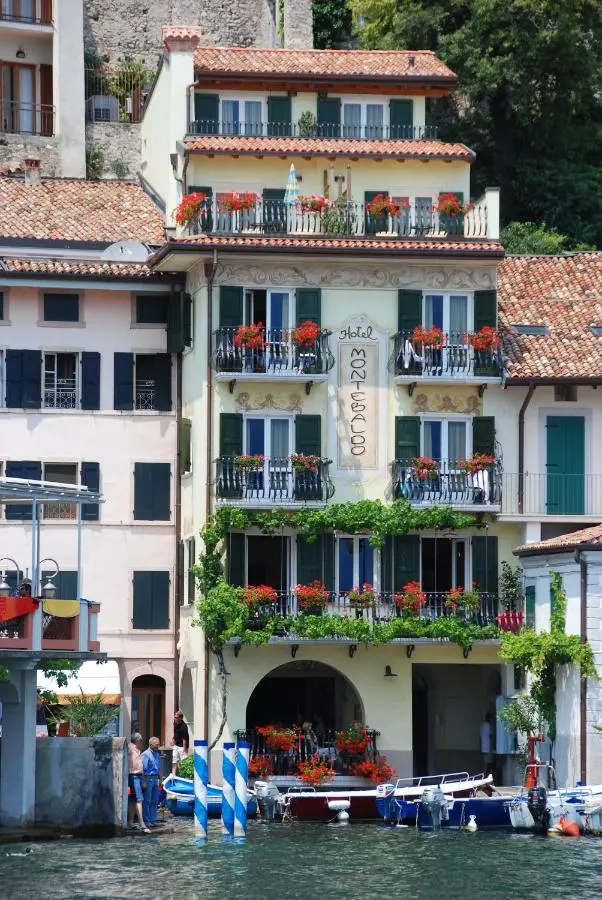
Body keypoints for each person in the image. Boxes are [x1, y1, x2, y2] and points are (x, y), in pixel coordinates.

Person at [128, 733, 150, 833]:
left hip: (139, 776)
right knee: (139, 799)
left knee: (133, 800)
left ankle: (131, 822)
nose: (142, 743)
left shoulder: (138, 750)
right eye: (141, 741)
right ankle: (142, 823)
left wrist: (144, 778)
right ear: (137, 741)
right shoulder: (130, 749)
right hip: (133, 776)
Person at [141, 736, 161, 827]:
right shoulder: (145, 754)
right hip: (148, 778)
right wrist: (144, 781)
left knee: (154, 800)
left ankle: (153, 819)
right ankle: (146, 820)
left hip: (155, 778)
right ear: (150, 745)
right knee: (147, 800)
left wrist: (160, 779)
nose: (158, 746)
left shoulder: (157, 754)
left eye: (158, 744)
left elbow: (158, 768)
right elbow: (143, 769)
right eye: (156, 745)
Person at [171, 710, 189, 774]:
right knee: (174, 761)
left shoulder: (184, 727)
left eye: (176, 717)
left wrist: (184, 749)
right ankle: (173, 775)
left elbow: (185, 739)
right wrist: (173, 740)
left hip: (182, 746)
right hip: (176, 745)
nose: (175, 718)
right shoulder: (175, 723)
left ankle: (184, 776)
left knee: (183, 762)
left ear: (181, 718)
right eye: (174, 717)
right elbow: (175, 733)